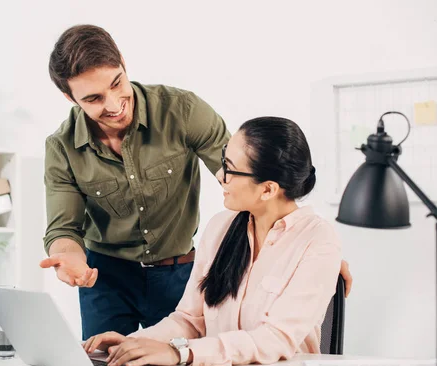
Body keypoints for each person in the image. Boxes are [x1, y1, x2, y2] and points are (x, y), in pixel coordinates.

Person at [39, 24, 352, 340]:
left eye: (116, 83)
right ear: (69, 97)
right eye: (93, 98)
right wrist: (68, 256)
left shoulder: (182, 111)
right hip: (105, 277)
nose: (113, 104)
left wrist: (307, 250)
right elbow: (63, 230)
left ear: (122, 61)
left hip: (178, 274)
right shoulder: (62, 147)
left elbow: (248, 181)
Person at [83, 117, 342, 366]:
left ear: (268, 190)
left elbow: (276, 339)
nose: (220, 175)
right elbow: (190, 320)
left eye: (229, 168)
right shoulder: (221, 227)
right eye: (222, 161)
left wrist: (181, 353)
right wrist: (133, 343)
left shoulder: (318, 241)